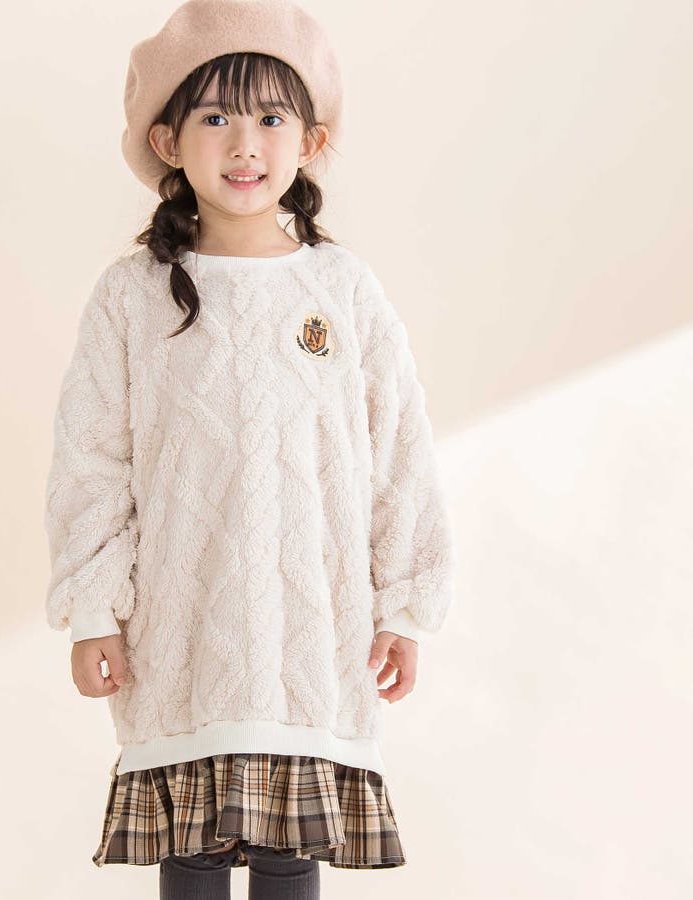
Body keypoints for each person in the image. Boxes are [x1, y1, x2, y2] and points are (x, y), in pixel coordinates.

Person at [42, 1, 456, 897]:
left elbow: (399, 452)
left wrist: (405, 605)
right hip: (181, 632)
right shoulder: (133, 295)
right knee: (191, 852)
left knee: (287, 854)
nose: (244, 144)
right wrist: (93, 609)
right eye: (215, 117)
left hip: (316, 630)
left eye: (271, 117)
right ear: (167, 139)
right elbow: (91, 458)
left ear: (309, 141)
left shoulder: (341, 289)